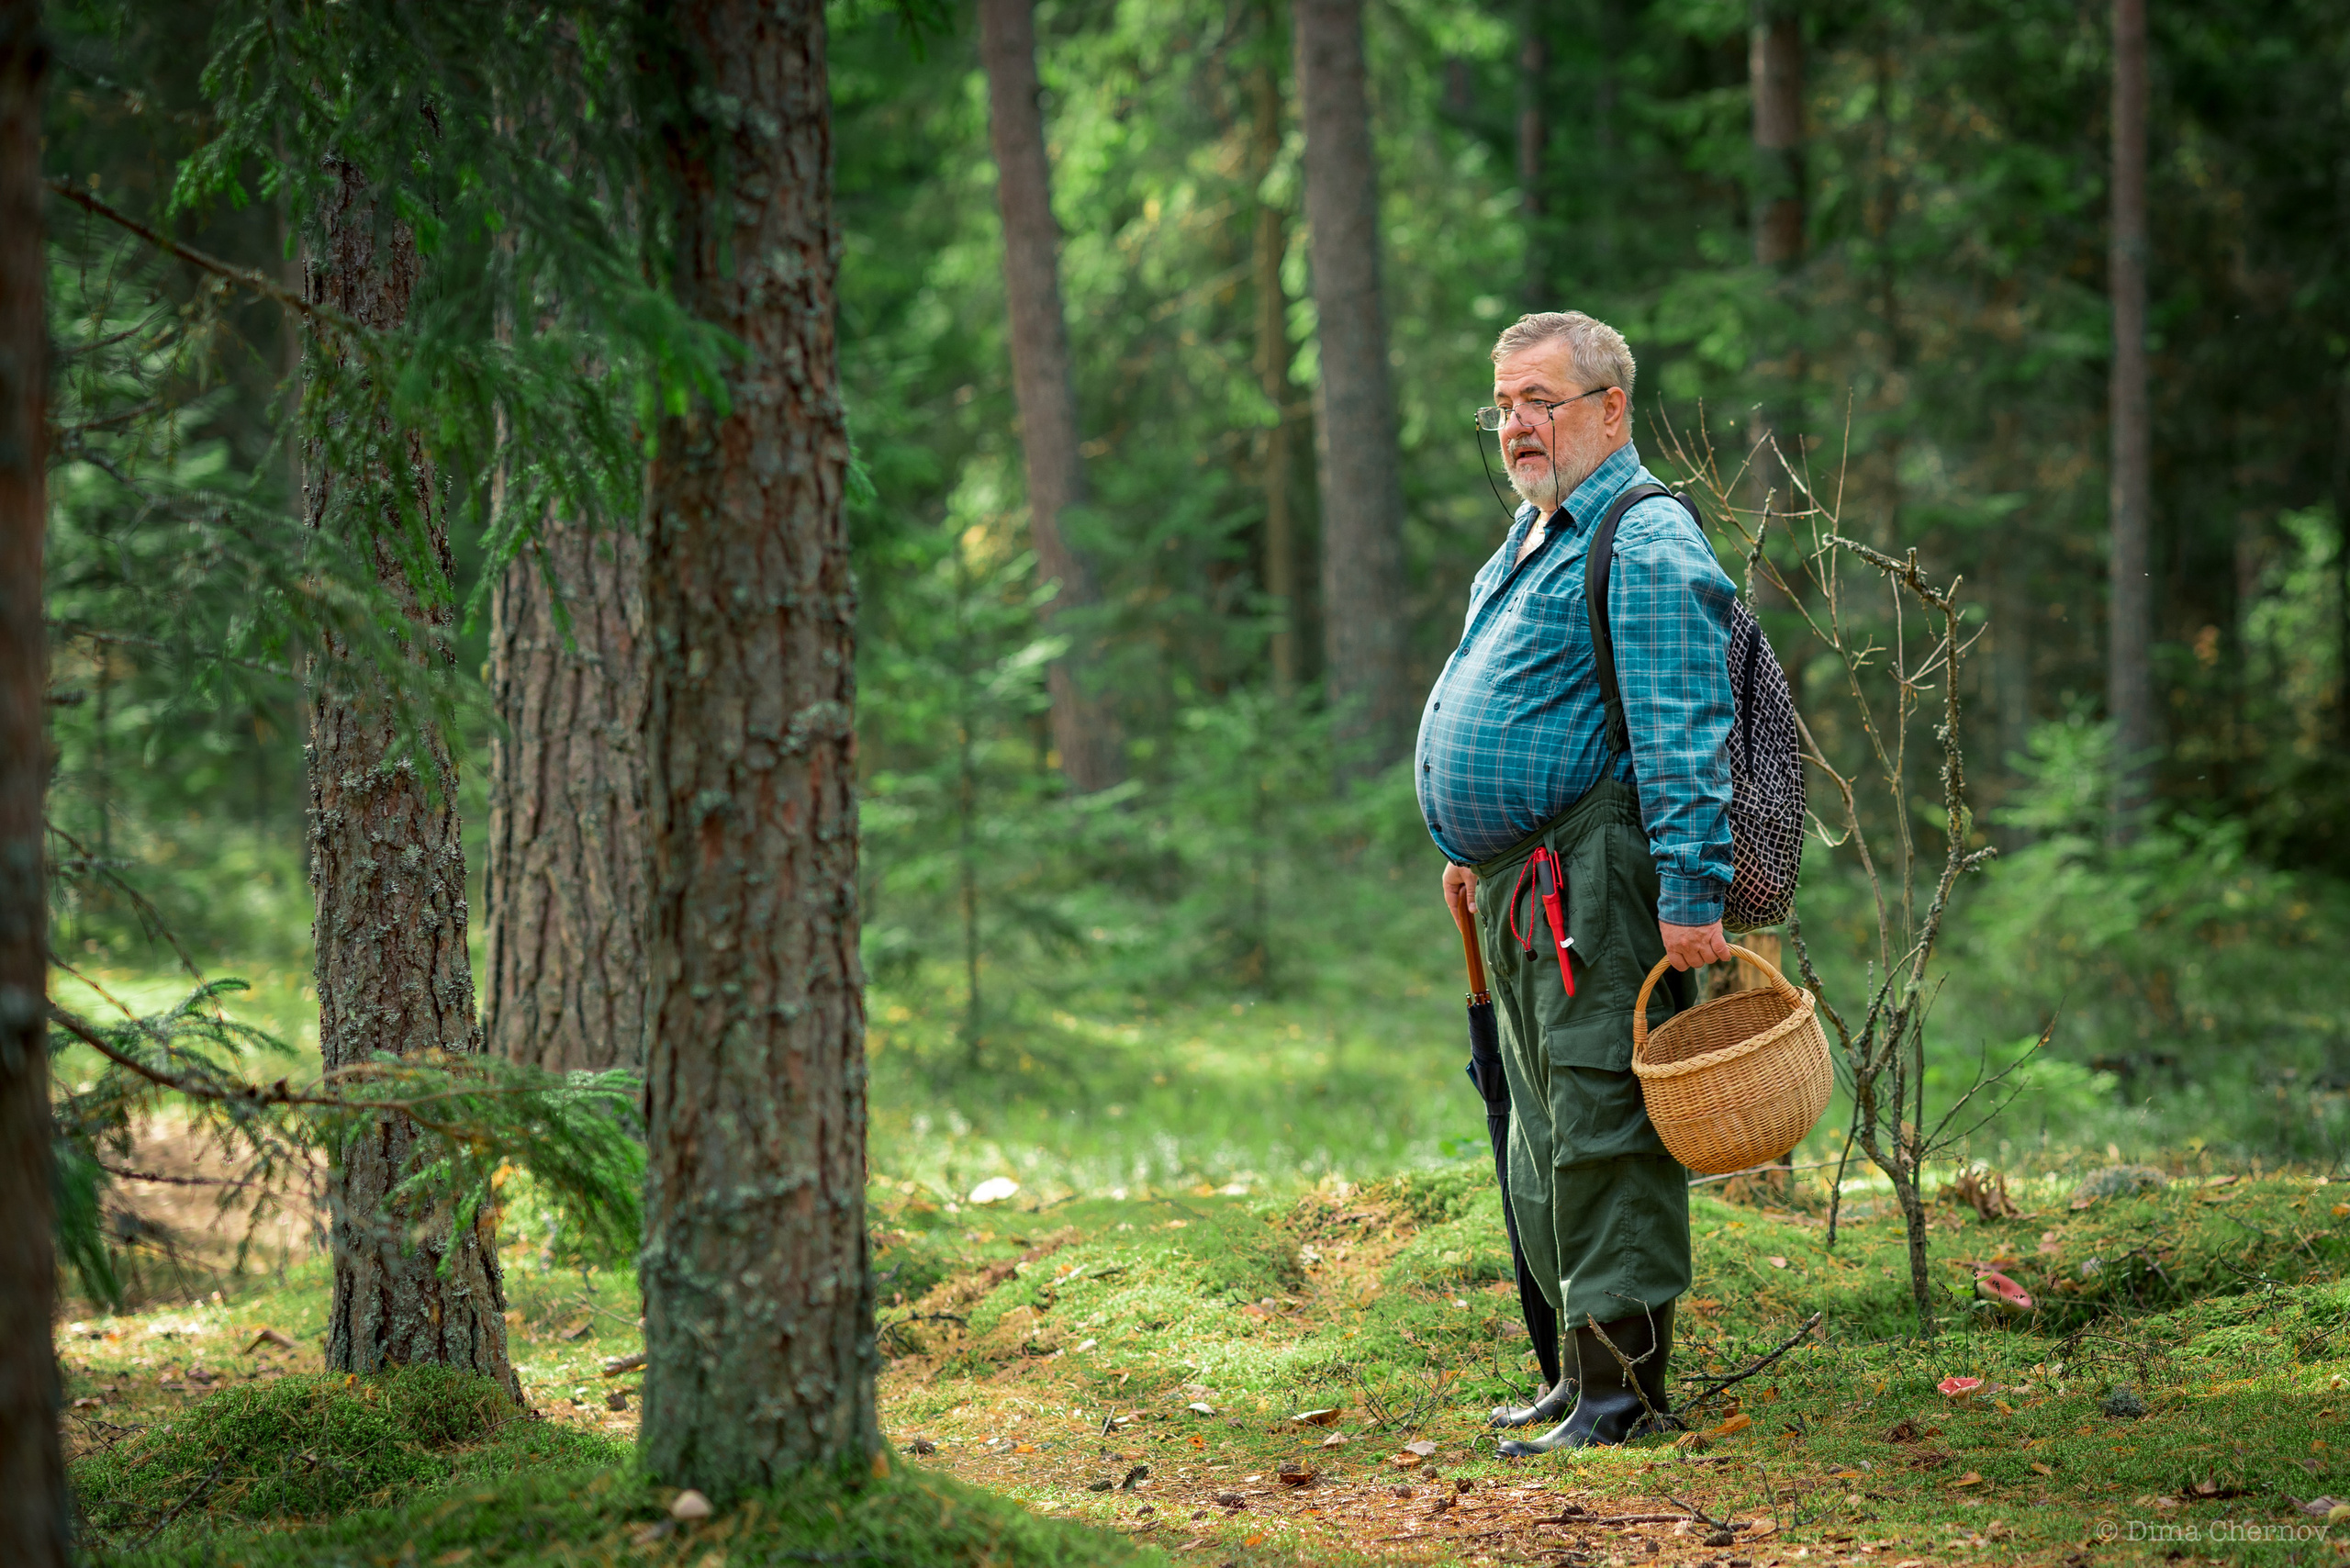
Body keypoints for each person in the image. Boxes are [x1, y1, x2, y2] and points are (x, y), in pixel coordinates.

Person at [1416, 311, 1736, 1453]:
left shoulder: (1643, 541)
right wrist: (1472, 846)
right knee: (1542, 1129)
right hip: (1520, 887)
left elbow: (1684, 728)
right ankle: (1571, 1376)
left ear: (1610, 410)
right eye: (1502, 404)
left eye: (1540, 401)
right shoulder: (1533, 534)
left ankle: (1622, 1396)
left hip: (1599, 886)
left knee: (1603, 1124)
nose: (1516, 425)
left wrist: (1694, 893)